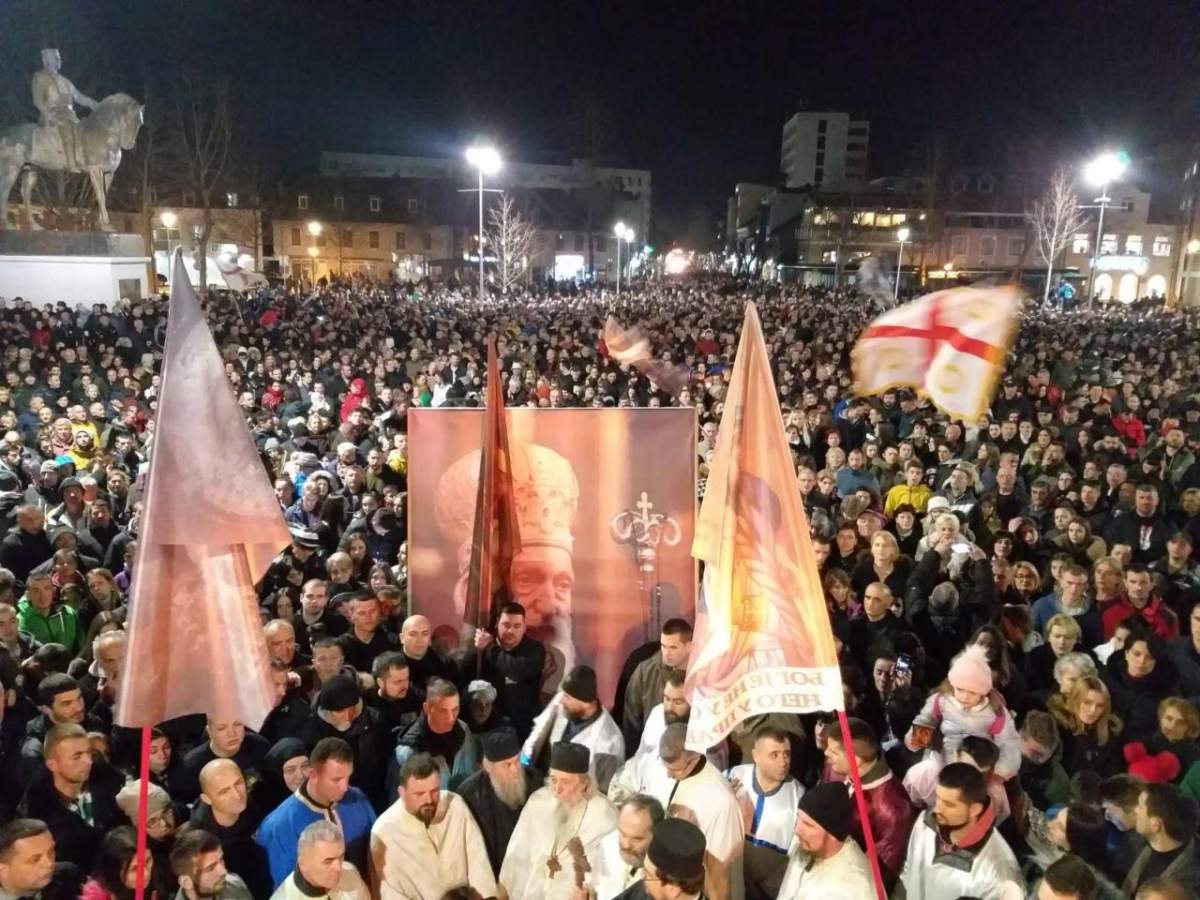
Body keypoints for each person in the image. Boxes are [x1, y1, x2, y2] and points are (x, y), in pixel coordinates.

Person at [499, 742, 619, 900]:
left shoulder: (604, 815)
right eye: (554, 779)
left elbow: (609, 876)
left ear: (584, 783)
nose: (557, 789)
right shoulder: (539, 801)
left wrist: (589, 896)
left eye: (565, 781)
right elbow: (515, 856)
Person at [369, 752, 496, 900]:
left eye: (434, 791)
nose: (429, 800)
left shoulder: (455, 806)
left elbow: (479, 866)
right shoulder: (385, 831)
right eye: (420, 794)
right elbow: (390, 893)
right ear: (402, 793)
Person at [255, 737, 376, 888]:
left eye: (348, 777)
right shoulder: (280, 826)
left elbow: (376, 854)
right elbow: (288, 888)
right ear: (313, 775)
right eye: (336, 780)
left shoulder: (357, 798)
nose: (345, 787)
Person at [899, 761, 1024, 900]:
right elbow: (910, 868)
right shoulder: (925, 821)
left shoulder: (1000, 874)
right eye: (938, 798)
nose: (937, 809)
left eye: (949, 804)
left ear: (975, 809)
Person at [822, 716, 913, 890]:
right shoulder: (835, 769)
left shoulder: (892, 809)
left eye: (833, 751)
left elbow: (878, 874)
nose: (826, 753)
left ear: (855, 761)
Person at [16, 723, 122, 870]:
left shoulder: (114, 788)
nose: (88, 761)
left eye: (89, 753)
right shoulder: (36, 813)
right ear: (52, 765)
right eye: (76, 757)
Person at [724, 725, 803, 900]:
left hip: (769, 892)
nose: (783, 762)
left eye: (786, 754)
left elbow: (796, 856)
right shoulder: (732, 777)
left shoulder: (799, 796)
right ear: (756, 756)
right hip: (729, 880)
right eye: (774, 755)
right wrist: (722, 800)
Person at [453, 728, 545, 875]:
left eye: (517, 761)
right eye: (507, 765)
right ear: (489, 767)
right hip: (492, 874)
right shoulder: (469, 794)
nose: (515, 769)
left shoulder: (537, 782)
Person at [523, 665, 625, 793]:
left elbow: (604, 791)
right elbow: (538, 732)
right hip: (540, 784)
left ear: (586, 702)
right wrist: (525, 762)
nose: (561, 700)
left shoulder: (609, 742)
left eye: (568, 697)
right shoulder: (563, 704)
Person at [776, 781, 875, 899]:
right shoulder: (806, 844)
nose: (797, 830)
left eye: (808, 825)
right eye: (799, 818)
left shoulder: (854, 889)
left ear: (833, 834)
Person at [188, 759, 270, 899]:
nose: (237, 796)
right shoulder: (200, 844)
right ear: (207, 799)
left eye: (238, 783)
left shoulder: (255, 805)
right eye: (224, 791)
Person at [390, 677, 480, 791]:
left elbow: (472, 778)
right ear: (427, 708)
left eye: (455, 709)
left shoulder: (463, 730)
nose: (451, 718)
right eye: (443, 711)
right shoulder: (410, 749)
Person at [472, 600, 546, 737]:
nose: (511, 631)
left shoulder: (535, 650)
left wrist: (489, 648)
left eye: (517, 626)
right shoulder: (482, 647)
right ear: (497, 624)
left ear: (524, 628)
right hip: (489, 723)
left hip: (523, 724)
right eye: (506, 625)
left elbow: (516, 671)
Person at [621, 619, 693, 749]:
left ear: (689, 646)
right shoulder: (645, 672)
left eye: (673, 647)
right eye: (663, 646)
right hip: (652, 750)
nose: (667, 653)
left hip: (690, 750)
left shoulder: (702, 674)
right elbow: (631, 722)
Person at [1123, 783, 1200, 895]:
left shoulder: (1189, 881)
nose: (1135, 810)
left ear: (1156, 824)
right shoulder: (1136, 842)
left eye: (1140, 806)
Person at [173, 718, 271, 804]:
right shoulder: (191, 765)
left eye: (237, 724)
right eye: (222, 728)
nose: (232, 733)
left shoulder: (259, 745)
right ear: (209, 731)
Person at [268, 820, 369, 900]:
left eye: (341, 857)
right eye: (328, 861)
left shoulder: (350, 873)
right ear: (303, 864)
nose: (339, 868)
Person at [591, 794, 663, 900]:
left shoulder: (664, 879)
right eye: (622, 834)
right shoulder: (604, 847)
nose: (626, 845)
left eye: (637, 839)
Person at [0, 818, 82, 900]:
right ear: (3, 870)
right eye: (35, 859)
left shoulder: (69, 876)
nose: (49, 864)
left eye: (50, 852)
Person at [170, 829, 253, 900]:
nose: (224, 872)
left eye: (221, 859)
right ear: (187, 882)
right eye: (210, 868)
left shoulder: (234, 883)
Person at [367, 651, 423, 736]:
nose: (405, 685)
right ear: (380, 683)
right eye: (398, 682)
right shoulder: (371, 708)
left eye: (406, 679)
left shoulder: (414, 693)